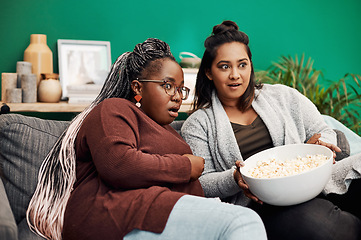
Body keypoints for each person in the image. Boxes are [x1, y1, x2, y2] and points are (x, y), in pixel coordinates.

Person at [26, 38, 267, 240]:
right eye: (167, 85)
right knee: (243, 223)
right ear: (138, 88)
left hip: (157, 215)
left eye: (181, 89)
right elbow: (118, 164)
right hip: (116, 214)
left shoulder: (170, 131)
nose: (176, 96)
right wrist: (185, 166)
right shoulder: (114, 110)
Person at [181, 20, 361, 240]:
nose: (235, 75)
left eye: (242, 64)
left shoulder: (283, 96)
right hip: (263, 204)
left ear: (250, 65)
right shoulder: (198, 124)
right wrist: (234, 177)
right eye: (224, 66)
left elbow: (323, 130)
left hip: (312, 183)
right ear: (209, 72)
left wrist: (319, 144)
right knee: (324, 228)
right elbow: (201, 182)